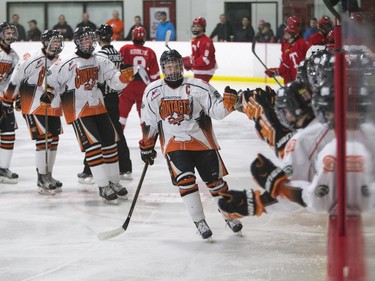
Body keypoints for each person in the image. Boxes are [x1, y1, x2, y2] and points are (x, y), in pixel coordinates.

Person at [139, 49, 243, 240]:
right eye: (169, 67)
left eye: (176, 66)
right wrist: (146, 145)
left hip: (202, 142)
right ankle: (199, 221)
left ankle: (229, 214)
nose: (173, 70)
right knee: (185, 181)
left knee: (215, 182)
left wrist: (229, 105)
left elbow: (217, 112)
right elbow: (149, 122)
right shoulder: (153, 91)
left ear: (182, 66)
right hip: (174, 144)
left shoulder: (199, 86)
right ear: (163, 69)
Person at [39, 26, 134, 204]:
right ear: (77, 41)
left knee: (110, 144)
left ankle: (114, 182)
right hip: (78, 109)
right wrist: (48, 94)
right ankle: (102, 185)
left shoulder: (101, 60)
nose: (89, 42)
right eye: (85, 39)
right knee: (93, 146)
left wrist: (123, 78)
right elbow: (50, 81)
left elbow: (114, 81)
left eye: (91, 39)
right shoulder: (66, 62)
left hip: (98, 106)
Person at [3, 30, 65, 194]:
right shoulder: (32, 57)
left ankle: (49, 174)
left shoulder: (61, 60)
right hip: (33, 103)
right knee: (43, 138)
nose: (57, 45)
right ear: (45, 42)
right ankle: (41, 177)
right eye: (53, 42)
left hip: (53, 104)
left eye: (59, 42)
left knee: (54, 139)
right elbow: (16, 78)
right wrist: (9, 98)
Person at [77, 24, 134, 184]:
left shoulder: (99, 55)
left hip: (102, 99)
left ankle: (88, 171)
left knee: (97, 134)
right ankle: (126, 166)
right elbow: (121, 76)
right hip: (115, 97)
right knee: (116, 132)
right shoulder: (117, 53)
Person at [119, 26, 160, 131]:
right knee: (144, 118)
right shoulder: (150, 52)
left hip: (127, 87)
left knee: (121, 117)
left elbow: (118, 67)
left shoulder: (125, 49)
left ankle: (117, 143)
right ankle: (147, 144)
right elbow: (154, 75)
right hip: (143, 89)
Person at [0, 22, 19, 184]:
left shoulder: (14, 56)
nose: (10, 35)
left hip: (4, 100)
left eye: (12, 32)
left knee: (8, 133)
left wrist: (15, 98)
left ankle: (3, 167)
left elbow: (14, 81)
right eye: (7, 32)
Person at [182, 17, 217, 83]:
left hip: (206, 71)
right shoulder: (194, 40)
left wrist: (192, 63)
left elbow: (206, 60)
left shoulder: (207, 42)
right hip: (199, 69)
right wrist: (187, 60)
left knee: (200, 90)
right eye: (194, 26)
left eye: (198, 26)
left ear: (202, 28)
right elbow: (195, 55)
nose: (195, 28)